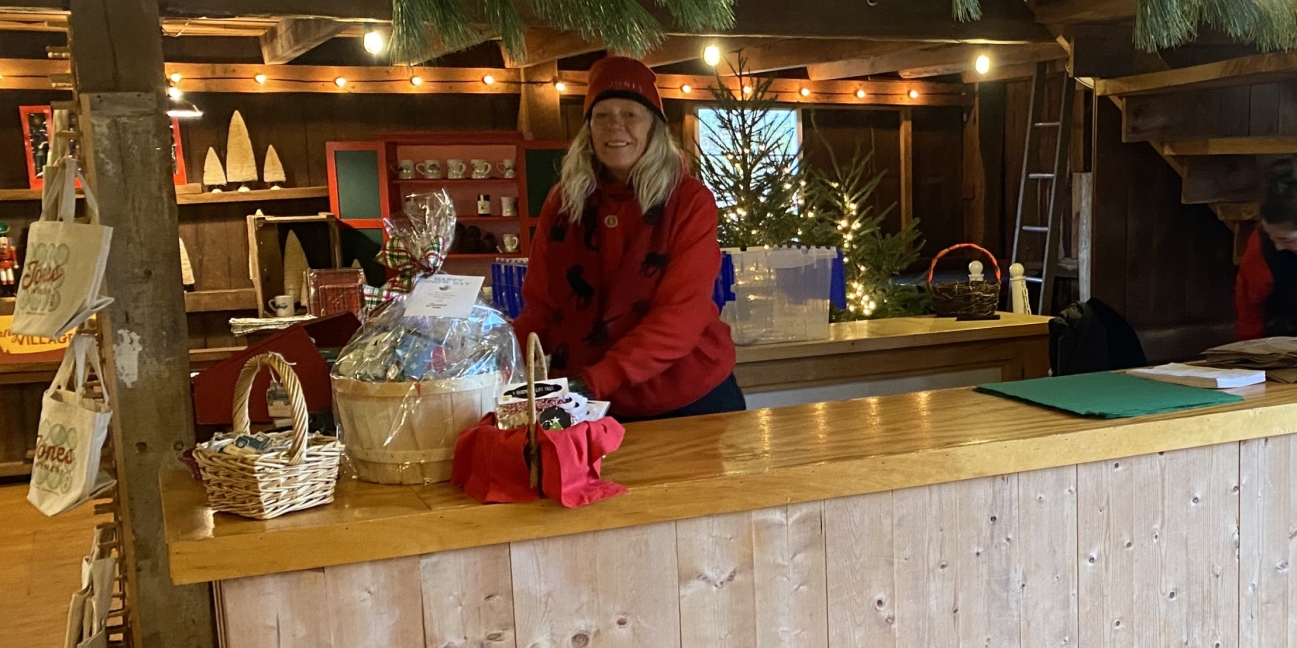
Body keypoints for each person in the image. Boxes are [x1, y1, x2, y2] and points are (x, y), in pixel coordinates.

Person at [512, 56, 744, 421]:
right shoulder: (564, 201)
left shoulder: (687, 201)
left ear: (654, 126)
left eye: (630, 114)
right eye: (602, 115)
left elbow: (680, 316)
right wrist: (497, 360)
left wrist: (592, 382)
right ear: (588, 127)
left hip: (683, 397)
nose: (614, 127)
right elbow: (541, 305)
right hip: (587, 395)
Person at [1237, 159, 1297, 339]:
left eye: (1285, 239)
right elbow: (1250, 314)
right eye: (1271, 236)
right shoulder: (1260, 248)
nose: (1277, 246)